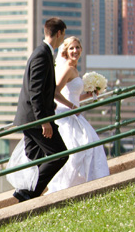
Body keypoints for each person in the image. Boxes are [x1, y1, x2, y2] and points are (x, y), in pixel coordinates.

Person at [10, 17, 69, 202]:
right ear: (58, 33)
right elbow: (35, 91)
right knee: (59, 154)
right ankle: (29, 193)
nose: (62, 39)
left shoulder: (42, 53)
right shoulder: (42, 54)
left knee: (36, 158)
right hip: (35, 119)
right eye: (63, 35)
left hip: (30, 118)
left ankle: (26, 192)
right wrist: (44, 121)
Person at [42, 36, 109, 193]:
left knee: (89, 146)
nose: (75, 51)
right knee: (78, 149)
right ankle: (68, 187)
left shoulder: (74, 69)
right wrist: (72, 107)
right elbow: (55, 93)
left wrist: (90, 95)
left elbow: (72, 95)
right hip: (67, 115)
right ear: (65, 51)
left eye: (77, 47)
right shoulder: (67, 69)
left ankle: (85, 183)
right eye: (71, 48)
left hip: (74, 114)